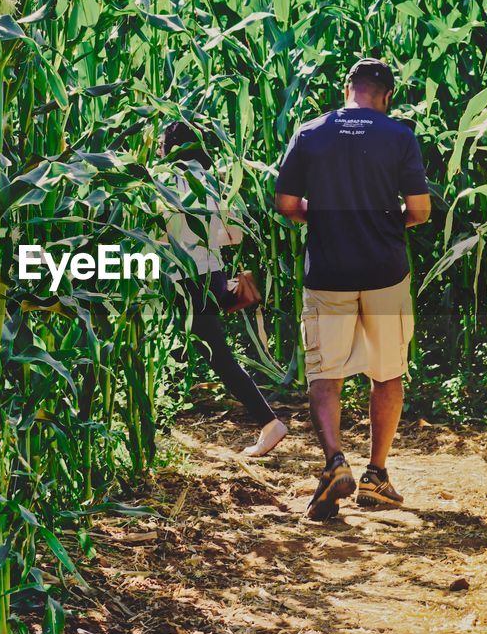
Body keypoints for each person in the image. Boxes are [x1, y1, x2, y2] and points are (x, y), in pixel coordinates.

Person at [274, 58, 431, 520]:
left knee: (325, 374)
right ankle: (377, 475)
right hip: (385, 270)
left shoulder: (310, 133)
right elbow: (419, 210)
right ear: (384, 96)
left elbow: (285, 203)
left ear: (348, 89)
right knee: (387, 373)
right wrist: (384, 227)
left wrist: (320, 220)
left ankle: (334, 463)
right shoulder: (399, 136)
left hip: (328, 271)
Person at [162, 122, 289, 458]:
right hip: (212, 277)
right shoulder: (213, 183)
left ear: (169, 147)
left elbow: (154, 235)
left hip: (182, 280)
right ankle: (159, 427)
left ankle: (270, 423)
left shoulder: (162, 182)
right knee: (182, 350)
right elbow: (235, 235)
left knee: (215, 355)